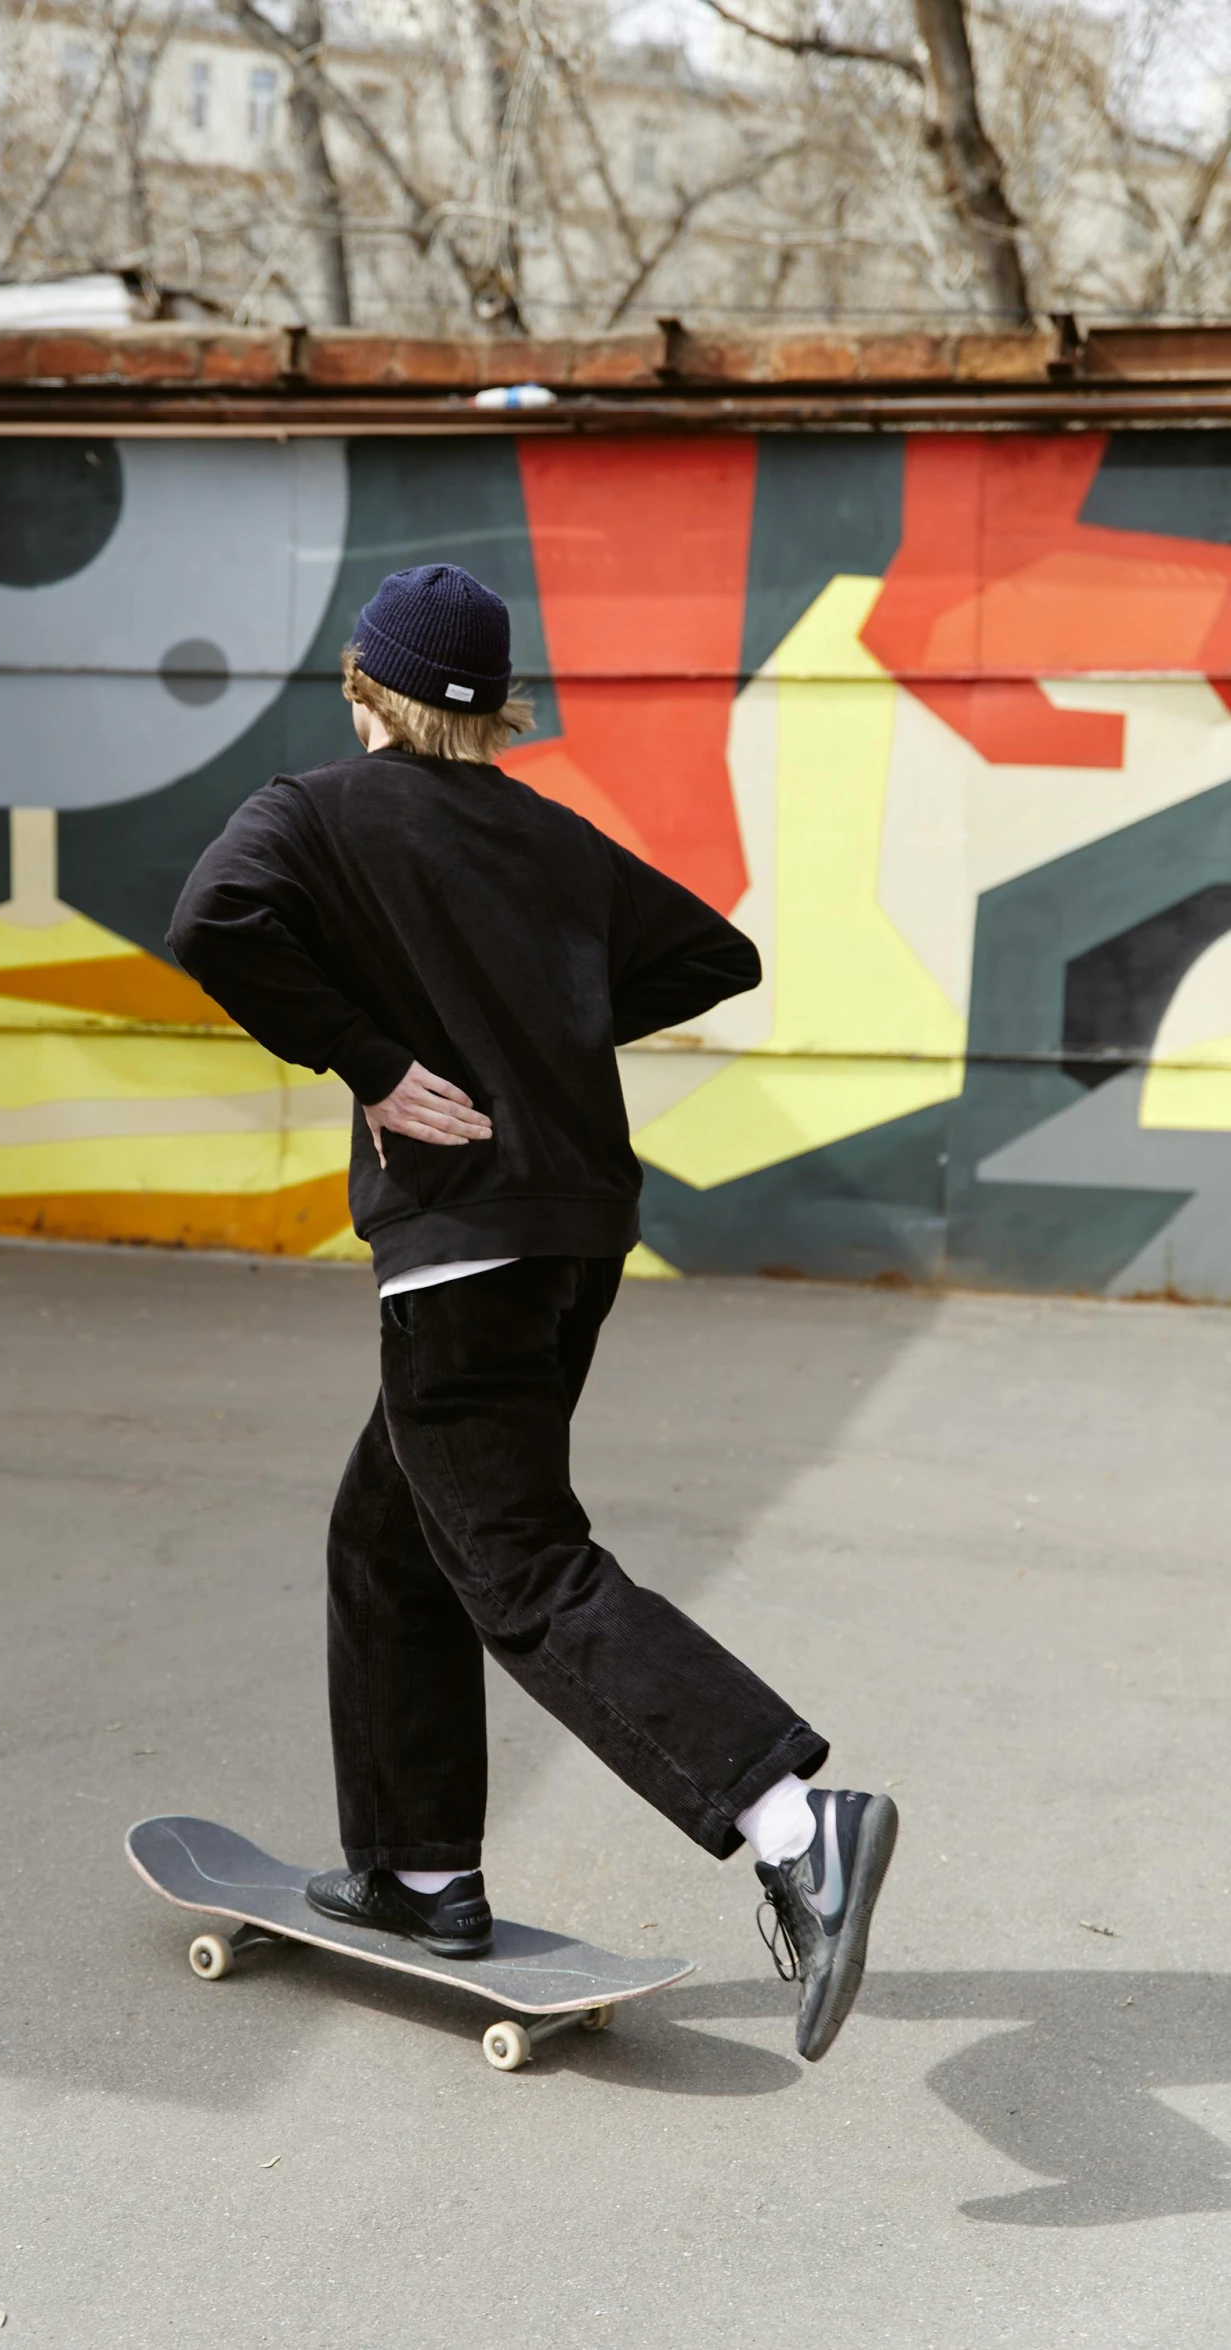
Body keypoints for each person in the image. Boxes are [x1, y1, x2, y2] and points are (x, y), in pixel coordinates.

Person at [167, 563, 896, 2061]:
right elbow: (715, 953)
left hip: (462, 1250)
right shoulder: (548, 837)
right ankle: (422, 1872)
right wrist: (538, 1022)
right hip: (575, 1239)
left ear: (361, 689)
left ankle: (791, 1819)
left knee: (518, 1565)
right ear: (489, 708)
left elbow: (214, 919)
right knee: (388, 1540)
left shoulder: (312, 814)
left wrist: (371, 1058)